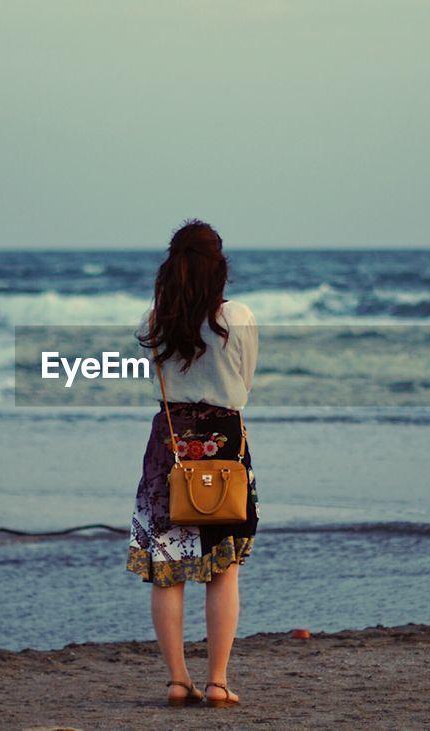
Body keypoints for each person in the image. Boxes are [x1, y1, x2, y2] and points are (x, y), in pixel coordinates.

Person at [127, 219, 259, 708]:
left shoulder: (153, 320)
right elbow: (244, 386)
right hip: (223, 443)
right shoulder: (237, 316)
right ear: (219, 268)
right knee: (223, 569)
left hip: (170, 444)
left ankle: (177, 681)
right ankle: (219, 682)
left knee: (168, 569)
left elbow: (153, 384)